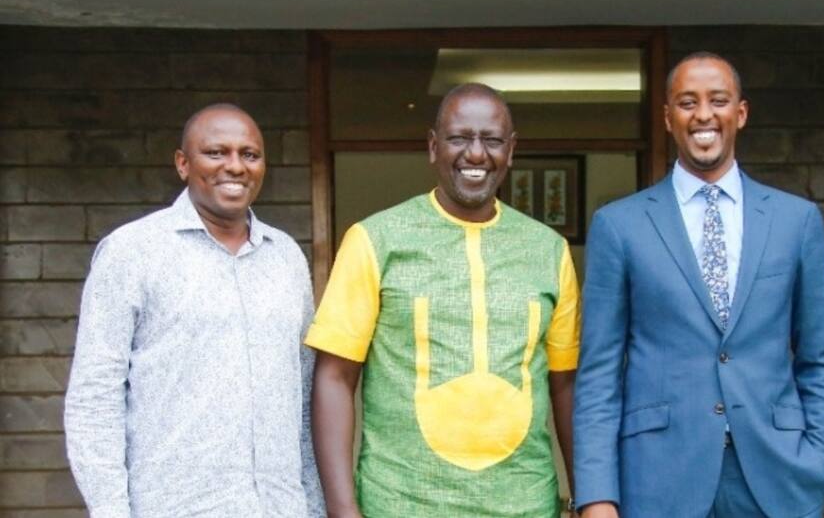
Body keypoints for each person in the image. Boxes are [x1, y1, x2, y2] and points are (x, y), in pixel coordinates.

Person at [573, 52, 824, 518]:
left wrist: (818, 465)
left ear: (740, 113)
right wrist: (597, 495)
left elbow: (820, 360)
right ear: (667, 117)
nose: (703, 115)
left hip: (777, 480)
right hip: (657, 481)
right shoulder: (619, 226)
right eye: (687, 102)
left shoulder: (795, 221)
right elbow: (598, 374)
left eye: (718, 100)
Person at [306, 83, 580, 517]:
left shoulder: (548, 250)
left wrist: (586, 498)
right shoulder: (375, 240)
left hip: (525, 504)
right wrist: (343, 509)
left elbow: (565, 384)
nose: (475, 154)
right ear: (434, 147)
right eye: (459, 138)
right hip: (399, 504)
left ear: (511, 150)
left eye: (491, 140)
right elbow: (334, 378)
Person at [64, 103, 323, 518]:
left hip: (279, 507)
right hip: (174, 507)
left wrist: (313, 505)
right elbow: (94, 396)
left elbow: (304, 393)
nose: (235, 166)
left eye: (249, 155)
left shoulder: (286, 257)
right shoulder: (132, 251)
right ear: (183, 164)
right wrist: (110, 510)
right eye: (216, 153)